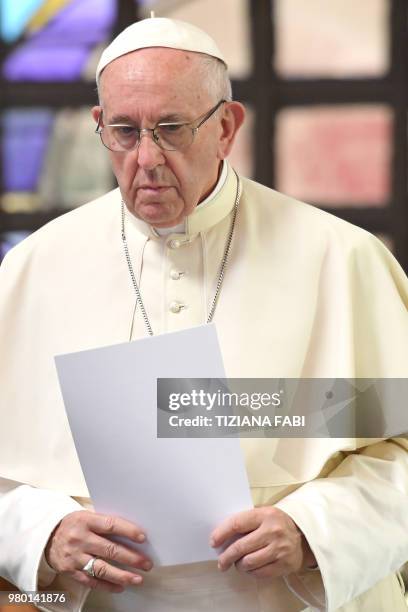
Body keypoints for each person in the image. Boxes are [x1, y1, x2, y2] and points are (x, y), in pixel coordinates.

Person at [0, 16, 408, 612]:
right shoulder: (31, 269)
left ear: (226, 127)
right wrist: (42, 532)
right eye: (124, 131)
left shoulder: (340, 259)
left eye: (171, 129)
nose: (148, 158)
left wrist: (314, 528)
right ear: (99, 128)